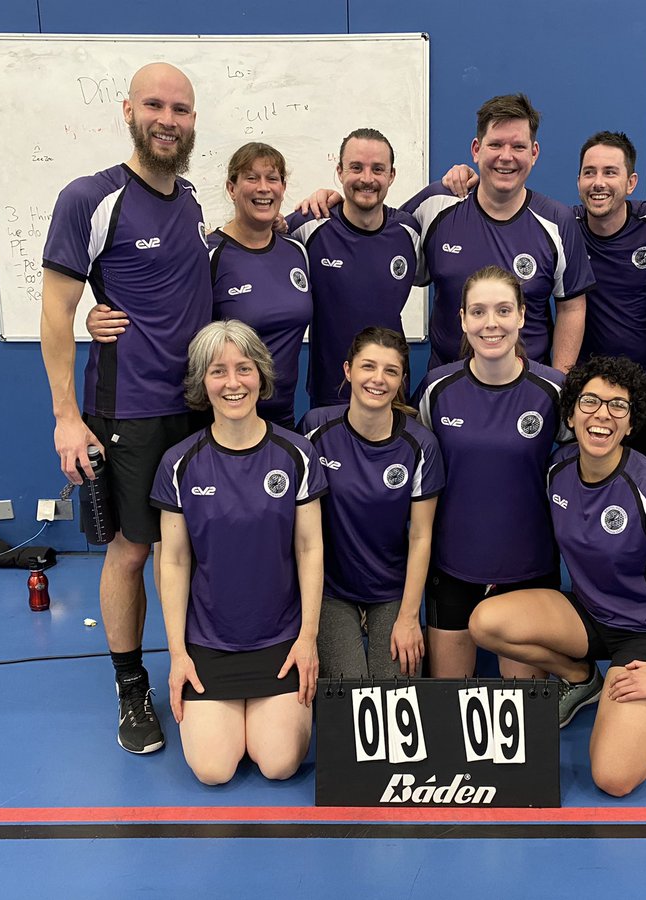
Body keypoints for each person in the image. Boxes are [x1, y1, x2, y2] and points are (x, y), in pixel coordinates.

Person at [40, 62, 211, 754]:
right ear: (129, 111)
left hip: (202, 407)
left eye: (181, 109)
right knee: (132, 549)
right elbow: (56, 312)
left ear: (193, 120)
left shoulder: (193, 200)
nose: (168, 120)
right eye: (155, 106)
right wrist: (67, 416)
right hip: (129, 410)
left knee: (189, 547)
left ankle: (195, 665)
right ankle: (132, 685)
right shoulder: (91, 197)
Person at [468, 355, 646, 796]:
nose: (602, 414)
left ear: (630, 424)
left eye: (617, 406)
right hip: (589, 615)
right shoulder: (558, 468)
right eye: (590, 401)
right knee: (485, 622)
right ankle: (581, 678)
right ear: (571, 415)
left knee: (613, 777)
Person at [441, 131, 646, 467]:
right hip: (589, 387)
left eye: (610, 172)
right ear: (578, 181)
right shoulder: (563, 227)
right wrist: (469, 178)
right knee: (587, 476)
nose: (599, 183)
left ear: (631, 182)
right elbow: (505, 219)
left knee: (645, 479)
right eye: (590, 173)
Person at [300, 95, 595, 372]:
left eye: (518, 147)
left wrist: (560, 383)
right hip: (445, 387)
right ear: (476, 149)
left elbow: (571, 308)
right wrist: (335, 201)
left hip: (526, 389)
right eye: (495, 145)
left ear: (534, 153)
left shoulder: (557, 222)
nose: (506, 157)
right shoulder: (436, 205)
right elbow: (374, 229)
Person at [151, 320, 325, 785]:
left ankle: (264, 716)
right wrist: (178, 654)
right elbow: (173, 561)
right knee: (214, 770)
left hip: (281, 641)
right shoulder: (178, 463)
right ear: (202, 382)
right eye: (218, 371)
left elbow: (310, 548)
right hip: (209, 642)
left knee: (279, 764)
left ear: (261, 375)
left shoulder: (296, 454)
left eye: (244, 368)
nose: (233, 383)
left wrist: (307, 639)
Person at [90, 143, 312, 429]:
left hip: (282, 418)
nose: (263, 188)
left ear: (283, 188)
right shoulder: (206, 253)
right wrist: (100, 316)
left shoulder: (297, 250)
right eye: (251, 178)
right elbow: (162, 307)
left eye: (272, 178)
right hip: (220, 420)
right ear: (231, 188)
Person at [415, 265, 565, 678]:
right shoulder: (436, 390)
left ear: (522, 316)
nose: (491, 323)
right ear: (463, 320)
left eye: (503, 310)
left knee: (525, 709)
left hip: (528, 567)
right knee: (449, 702)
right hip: (452, 567)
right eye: (478, 312)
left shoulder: (553, 391)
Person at [300, 327, 444, 678]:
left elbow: (421, 536)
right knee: (348, 694)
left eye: (390, 371)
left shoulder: (420, 445)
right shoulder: (315, 429)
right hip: (331, 590)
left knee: (395, 697)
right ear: (348, 370)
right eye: (368, 366)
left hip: (391, 590)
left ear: (401, 380)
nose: (378, 379)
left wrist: (409, 617)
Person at [285, 129, 421, 409]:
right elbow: (256, 237)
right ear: (339, 171)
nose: (367, 179)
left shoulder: (409, 231)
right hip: (330, 393)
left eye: (378, 169)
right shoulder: (308, 226)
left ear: (392, 175)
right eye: (356, 168)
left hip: (391, 392)